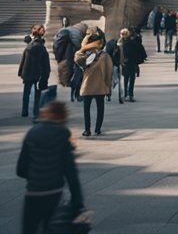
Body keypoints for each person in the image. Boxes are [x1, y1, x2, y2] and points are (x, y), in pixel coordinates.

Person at [16, 100, 83, 234]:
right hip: (54, 193)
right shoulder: (63, 135)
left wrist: (35, 175)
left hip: (32, 192)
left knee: (29, 229)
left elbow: (21, 169)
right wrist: (77, 200)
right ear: (63, 117)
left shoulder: (31, 133)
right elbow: (70, 171)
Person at [75, 28, 112, 137]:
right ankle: (88, 129)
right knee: (87, 110)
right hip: (89, 85)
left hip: (98, 86)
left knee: (100, 109)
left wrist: (108, 88)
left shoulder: (105, 56)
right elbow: (77, 58)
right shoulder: (85, 55)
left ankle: (97, 129)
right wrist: (85, 46)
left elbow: (108, 74)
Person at [18, 25, 51, 119]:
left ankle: (24, 111)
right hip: (38, 74)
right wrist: (45, 75)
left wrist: (21, 72)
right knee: (37, 94)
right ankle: (36, 111)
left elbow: (23, 60)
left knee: (26, 93)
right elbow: (46, 64)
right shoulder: (42, 48)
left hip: (27, 73)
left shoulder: (29, 47)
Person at [119, 28, 146, 102]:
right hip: (133, 63)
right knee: (132, 79)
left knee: (126, 79)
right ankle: (130, 94)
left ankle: (125, 94)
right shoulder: (134, 42)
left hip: (126, 63)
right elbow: (140, 51)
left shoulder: (121, 43)